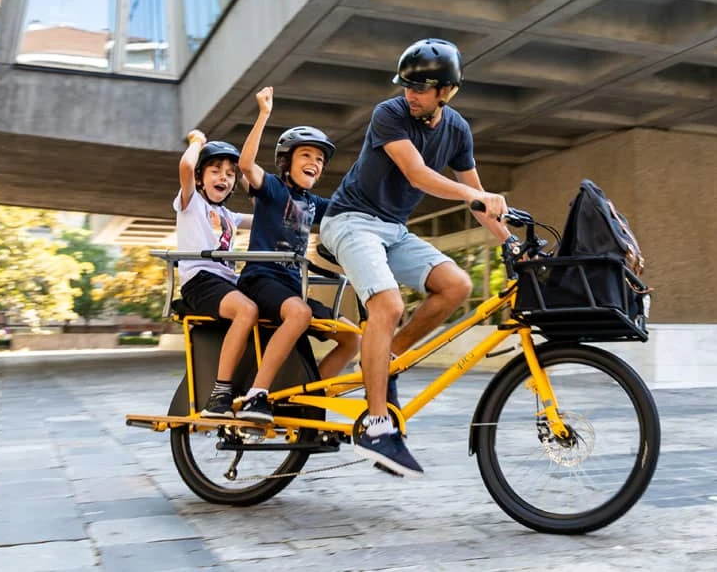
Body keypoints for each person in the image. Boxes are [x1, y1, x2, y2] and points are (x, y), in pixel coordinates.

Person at [320, 38, 513, 477]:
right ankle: (374, 424)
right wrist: (475, 194)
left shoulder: (457, 129)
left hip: (393, 229)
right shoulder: (388, 114)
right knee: (387, 304)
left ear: (446, 92)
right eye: (407, 86)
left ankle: (385, 362)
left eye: (421, 89)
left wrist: (508, 240)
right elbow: (418, 174)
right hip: (350, 220)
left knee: (457, 285)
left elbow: (476, 201)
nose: (411, 95)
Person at [236, 86, 361, 423]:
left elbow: (348, 210)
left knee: (351, 338)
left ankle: (309, 400)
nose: (315, 163)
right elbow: (245, 164)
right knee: (300, 314)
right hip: (261, 280)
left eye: (319, 160)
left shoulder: (314, 204)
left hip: (292, 287)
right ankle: (256, 395)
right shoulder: (274, 189)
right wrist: (263, 114)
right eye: (306, 155)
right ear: (286, 160)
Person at [174, 129, 257, 419]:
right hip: (200, 281)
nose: (223, 177)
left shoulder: (230, 216)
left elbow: (264, 211)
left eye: (230, 174)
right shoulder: (191, 204)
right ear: (200, 178)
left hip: (225, 283)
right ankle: (220, 392)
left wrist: (244, 175)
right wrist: (197, 142)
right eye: (215, 171)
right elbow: (186, 166)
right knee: (247, 310)